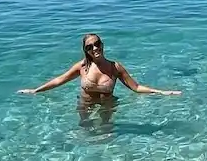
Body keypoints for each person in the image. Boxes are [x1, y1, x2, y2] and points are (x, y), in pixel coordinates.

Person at [17, 33, 181, 127]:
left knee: (105, 132)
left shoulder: (115, 67)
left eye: (97, 44)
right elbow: (60, 80)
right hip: (85, 103)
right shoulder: (82, 66)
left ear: (102, 45)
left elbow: (136, 87)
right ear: (86, 51)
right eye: (89, 47)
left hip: (107, 104)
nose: (95, 48)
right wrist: (35, 90)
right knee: (85, 128)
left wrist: (162, 92)